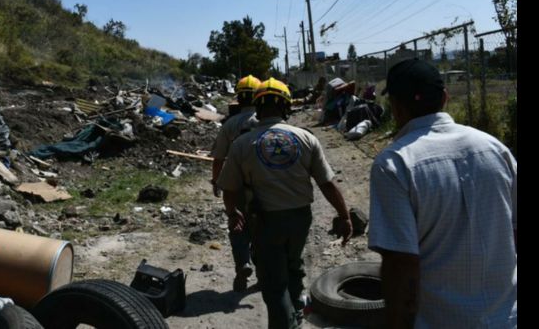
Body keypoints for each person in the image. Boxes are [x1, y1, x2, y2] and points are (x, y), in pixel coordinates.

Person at [369, 58, 517, 328]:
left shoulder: (394, 164)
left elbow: (401, 264)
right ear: (445, 98)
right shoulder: (496, 149)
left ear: (396, 107)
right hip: (505, 318)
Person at [217, 77, 353, 329]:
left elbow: (229, 188)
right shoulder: (306, 138)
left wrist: (233, 212)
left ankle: (286, 320)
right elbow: (327, 183)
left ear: (257, 108)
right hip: (300, 219)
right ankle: (296, 312)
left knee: (273, 285)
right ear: (286, 107)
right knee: (293, 263)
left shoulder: (242, 144)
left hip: (265, 222)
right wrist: (344, 215)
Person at [210, 74, 261, 292]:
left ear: (238, 99)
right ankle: (264, 267)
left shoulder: (230, 124)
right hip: (264, 182)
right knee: (263, 226)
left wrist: (216, 181)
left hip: (237, 183)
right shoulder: (265, 120)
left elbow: (219, 157)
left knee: (238, 223)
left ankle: (242, 262)